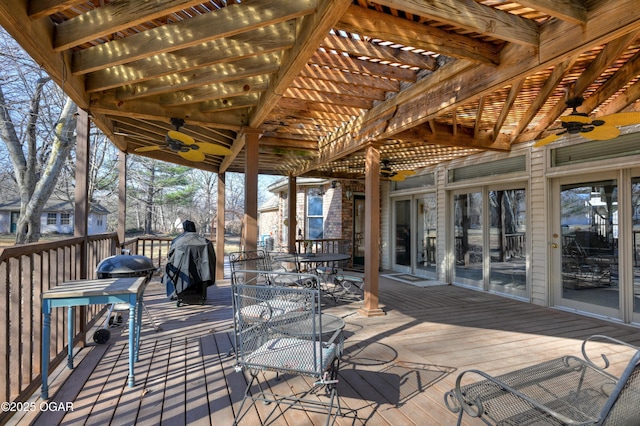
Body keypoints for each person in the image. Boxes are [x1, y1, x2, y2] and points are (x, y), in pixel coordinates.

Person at [164, 220, 216, 302]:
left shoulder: (178, 241)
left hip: (183, 271)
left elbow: (171, 255)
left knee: (169, 268)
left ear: (184, 228)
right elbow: (212, 258)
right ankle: (201, 295)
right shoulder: (205, 242)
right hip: (201, 272)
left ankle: (175, 293)